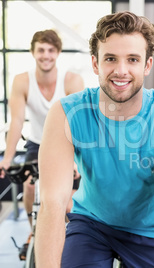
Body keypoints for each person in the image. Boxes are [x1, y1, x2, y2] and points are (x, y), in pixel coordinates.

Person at [35, 11, 154, 267]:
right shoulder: (66, 113)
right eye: (110, 58)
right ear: (95, 63)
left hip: (151, 229)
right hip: (91, 224)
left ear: (147, 65)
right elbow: (52, 206)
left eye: (132, 59)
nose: (121, 71)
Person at [0, 29, 84, 260]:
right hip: (37, 143)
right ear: (32, 52)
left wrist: (77, 159)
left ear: (57, 53)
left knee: (67, 203)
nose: (45, 55)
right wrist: (7, 157)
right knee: (29, 186)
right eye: (41, 50)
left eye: (50, 50)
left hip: (69, 143)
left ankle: (69, 235)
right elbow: (16, 121)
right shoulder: (22, 81)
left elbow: (78, 124)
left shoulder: (71, 80)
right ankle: (33, 230)